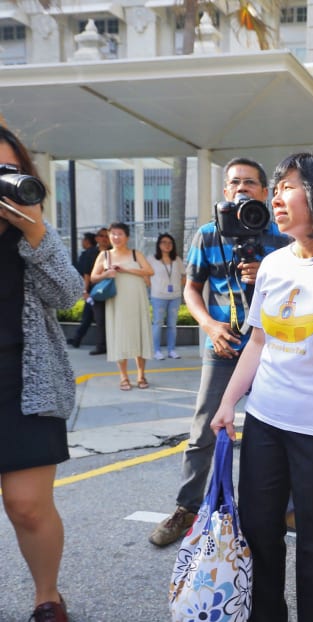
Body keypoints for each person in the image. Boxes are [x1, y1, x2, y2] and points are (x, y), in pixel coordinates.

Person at [211, 152, 313, 621]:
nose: (276, 196)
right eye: (275, 188)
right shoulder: (273, 264)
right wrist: (229, 400)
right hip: (266, 423)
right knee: (258, 534)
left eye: (289, 186)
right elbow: (258, 340)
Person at [149, 157, 289, 547]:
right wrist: (209, 326)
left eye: (250, 182)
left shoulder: (283, 235)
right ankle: (186, 508)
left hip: (271, 347)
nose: (242, 189)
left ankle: (284, 505)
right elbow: (191, 288)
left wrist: (268, 275)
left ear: (264, 191)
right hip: (224, 347)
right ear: (225, 192)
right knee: (203, 431)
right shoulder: (208, 235)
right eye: (234, 183)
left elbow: (301, 288)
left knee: (279, 430)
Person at [0, 126, 83, 622]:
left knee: (27, 505)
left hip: (24, 382)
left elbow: (69, 295)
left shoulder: (33, 232)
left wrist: (33, 232)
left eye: (7, 169)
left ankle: (46, 596)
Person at [89, 222, 154, 390]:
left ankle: (141, 375)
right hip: (117, 302)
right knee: (119, 336)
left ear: (127, 237)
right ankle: (123, 377)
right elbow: (93, 278)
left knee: (139, 335)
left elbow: (149, 271)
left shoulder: (135, 254)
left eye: (120, 234)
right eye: (113, 234)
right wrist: (106, 274)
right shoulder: (104, 255)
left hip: (137, 300)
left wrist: (125, 269)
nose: (116, 237)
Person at [147, 233, 186, 360]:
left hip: (174, 296)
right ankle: (156, 350)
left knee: (172, 324)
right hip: (158, 296)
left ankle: (171, 350)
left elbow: (184, 276)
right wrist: (153, 286)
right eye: (164, 242)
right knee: (157, 323)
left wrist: (176, 286)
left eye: (170, 243)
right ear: (159, 245)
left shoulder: (177, 260)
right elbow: (145, 275)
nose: (167, 245)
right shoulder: (151, 259)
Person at [67, 232, 99, 348]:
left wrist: (85, 291)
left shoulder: (89, 254)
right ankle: (77, 339)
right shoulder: (94, 253)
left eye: (83, 240)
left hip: (91, 290)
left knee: (89, 316)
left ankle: (77, 339)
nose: (82, 242)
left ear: (87, 241)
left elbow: (87, 274)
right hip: (93, 289)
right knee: (89, 316)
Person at [89, 227, 111, 355]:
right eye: (102, 236)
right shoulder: (90, 253)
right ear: (97, 238)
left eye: (106, 236)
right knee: (99, 320)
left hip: (112, 289)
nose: (104, 239)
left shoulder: (114, 253)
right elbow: (86, 274)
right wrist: (85, 292)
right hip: (96, 291)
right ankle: (100, 345)